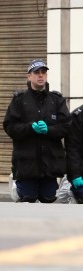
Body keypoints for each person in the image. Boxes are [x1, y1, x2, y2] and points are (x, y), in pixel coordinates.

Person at [3, 60, 71, 203]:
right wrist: (29, 127)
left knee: (48, 198)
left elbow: (66, 126)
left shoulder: (56, 100)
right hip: (26, 163)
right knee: (28, 198)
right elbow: (10, 126)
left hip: (50, 163)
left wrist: (49, 130)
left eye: (43, 72)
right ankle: (18, 188)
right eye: (36, 73)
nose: (41, 76)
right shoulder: (19, 100)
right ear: (29, 76)